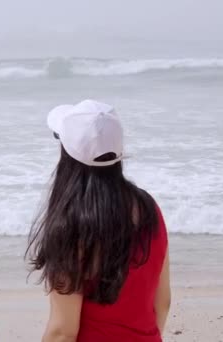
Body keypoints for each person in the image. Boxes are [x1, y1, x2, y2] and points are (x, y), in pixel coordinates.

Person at [26, 100, 171, 342]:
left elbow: (63, 331)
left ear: (67, 153)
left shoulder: (72, 225)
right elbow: (162, 302)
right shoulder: (149, 208)